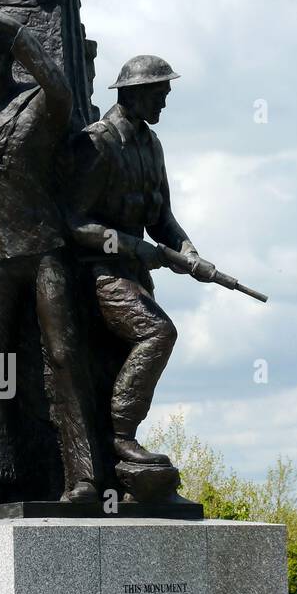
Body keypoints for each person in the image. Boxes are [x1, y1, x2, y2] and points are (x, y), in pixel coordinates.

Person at [0, 12, 99, 505]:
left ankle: (87, 478)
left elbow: (60, 87)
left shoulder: (37, 104)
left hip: (43, 247)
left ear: (9, 56)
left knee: (66, 355)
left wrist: (21, 35)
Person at [66, 55, 217, 474]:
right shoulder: (98, 142)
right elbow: (76, 222)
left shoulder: (151, 145)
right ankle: (121, 436)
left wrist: (188, 251)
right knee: (158, 332)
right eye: (159, 94)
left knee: (123, 358)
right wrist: (134, 247)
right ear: (134, 94)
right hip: (100, 275)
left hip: (135, 276)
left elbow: (161, 217)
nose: (164, 104)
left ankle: (115, 446)